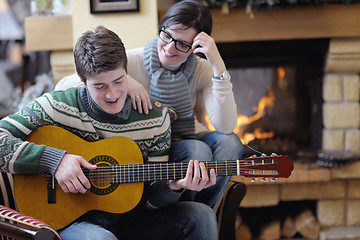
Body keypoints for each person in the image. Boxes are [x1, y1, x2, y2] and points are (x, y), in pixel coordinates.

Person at [0, 26, 219, 240]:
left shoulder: (155, 119)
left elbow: (151, 200)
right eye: (100, 86)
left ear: (127, 72)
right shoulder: (54, 107)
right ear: (82, 80)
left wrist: (174, 186)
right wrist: (55, 161)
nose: (112, 94)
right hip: (75, 222)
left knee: (201, 216)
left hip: (134, 220)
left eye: (118, 81)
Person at [56, 0, 244, 208]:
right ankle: (184, 212)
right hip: (150, 144)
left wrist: (217, 63)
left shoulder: (201, 69)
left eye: (183, 44)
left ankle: (203, 210)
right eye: (167, 36)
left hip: (185, 135)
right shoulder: (131, 61)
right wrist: (126, 81)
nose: (170, 48)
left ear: (197, 47)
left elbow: (225, 126)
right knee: (198, 152)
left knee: (230, 142)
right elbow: (65, 85)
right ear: (161, 28)